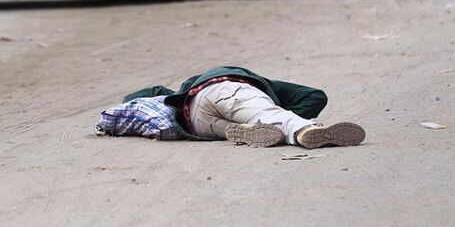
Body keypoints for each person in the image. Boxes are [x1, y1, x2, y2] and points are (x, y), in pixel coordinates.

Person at [99, 66, 366, 148]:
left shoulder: (180, 91)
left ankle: (246, 131)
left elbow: (149, 94)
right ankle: (304, 131)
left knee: (249, 124)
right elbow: (316, 97)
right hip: (226, 92)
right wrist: (280, 106)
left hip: (195, 119)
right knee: (275, 116)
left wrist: (128, 101)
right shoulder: (253, 82)